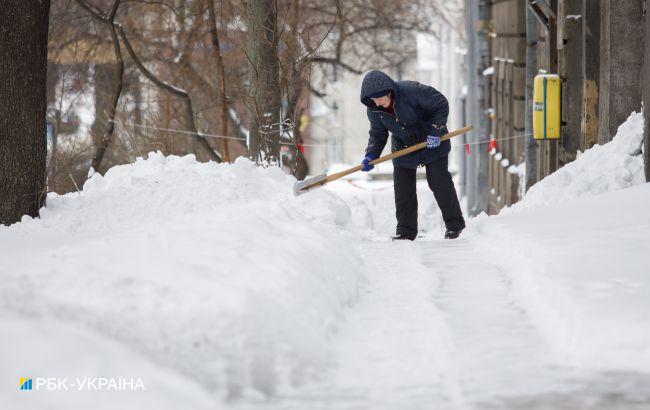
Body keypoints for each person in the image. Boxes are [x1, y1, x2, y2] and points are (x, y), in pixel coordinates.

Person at [359, 69, 465, 240]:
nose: (378, 103)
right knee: (403, 188)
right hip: (403, 146)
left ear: (389, 91)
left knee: (439, 181)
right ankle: (405, 231)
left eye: (380, 98)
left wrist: (435, 131)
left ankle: (455, 225)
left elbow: (440, 104)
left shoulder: (412, 91)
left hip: (431, 141)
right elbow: (378, 134)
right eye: (374, 100)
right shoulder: (374, 110)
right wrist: (371, 155)